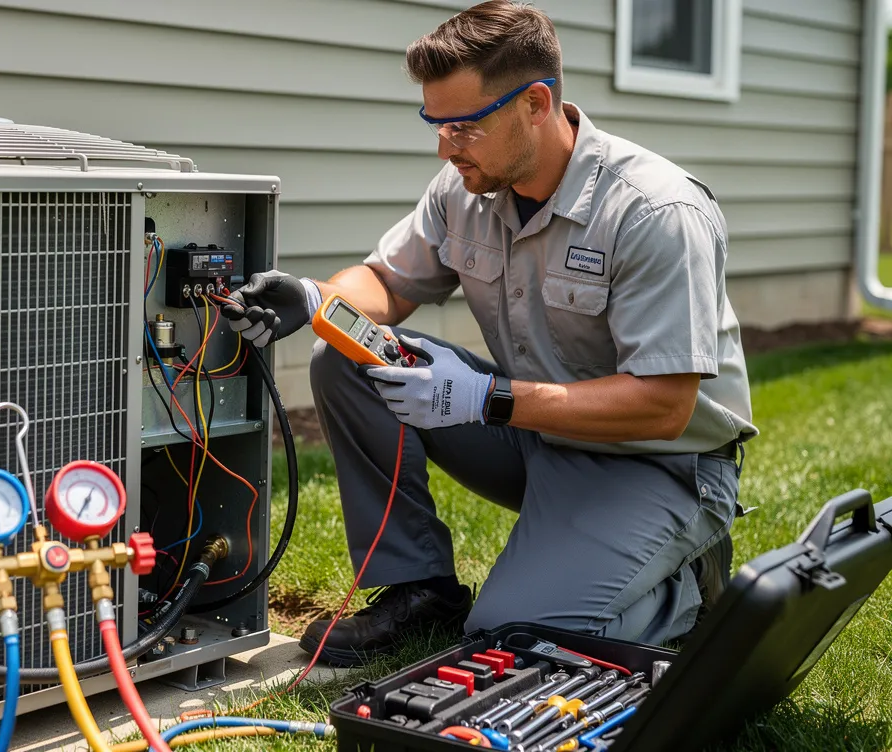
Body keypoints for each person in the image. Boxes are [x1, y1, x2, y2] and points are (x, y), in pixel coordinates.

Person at [220, 0, 756, 668]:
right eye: (433, 121)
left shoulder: (654, 211)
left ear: (537, 102)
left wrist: (483, 399)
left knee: (509, 637)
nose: (444, 145)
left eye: (464, 125)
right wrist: (314, 297)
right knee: (345, 357)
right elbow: (388, 282)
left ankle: (686, 585)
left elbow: (664, 406)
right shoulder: (463, 187)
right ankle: (419, 587)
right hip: (539, 434)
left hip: (659, 465)